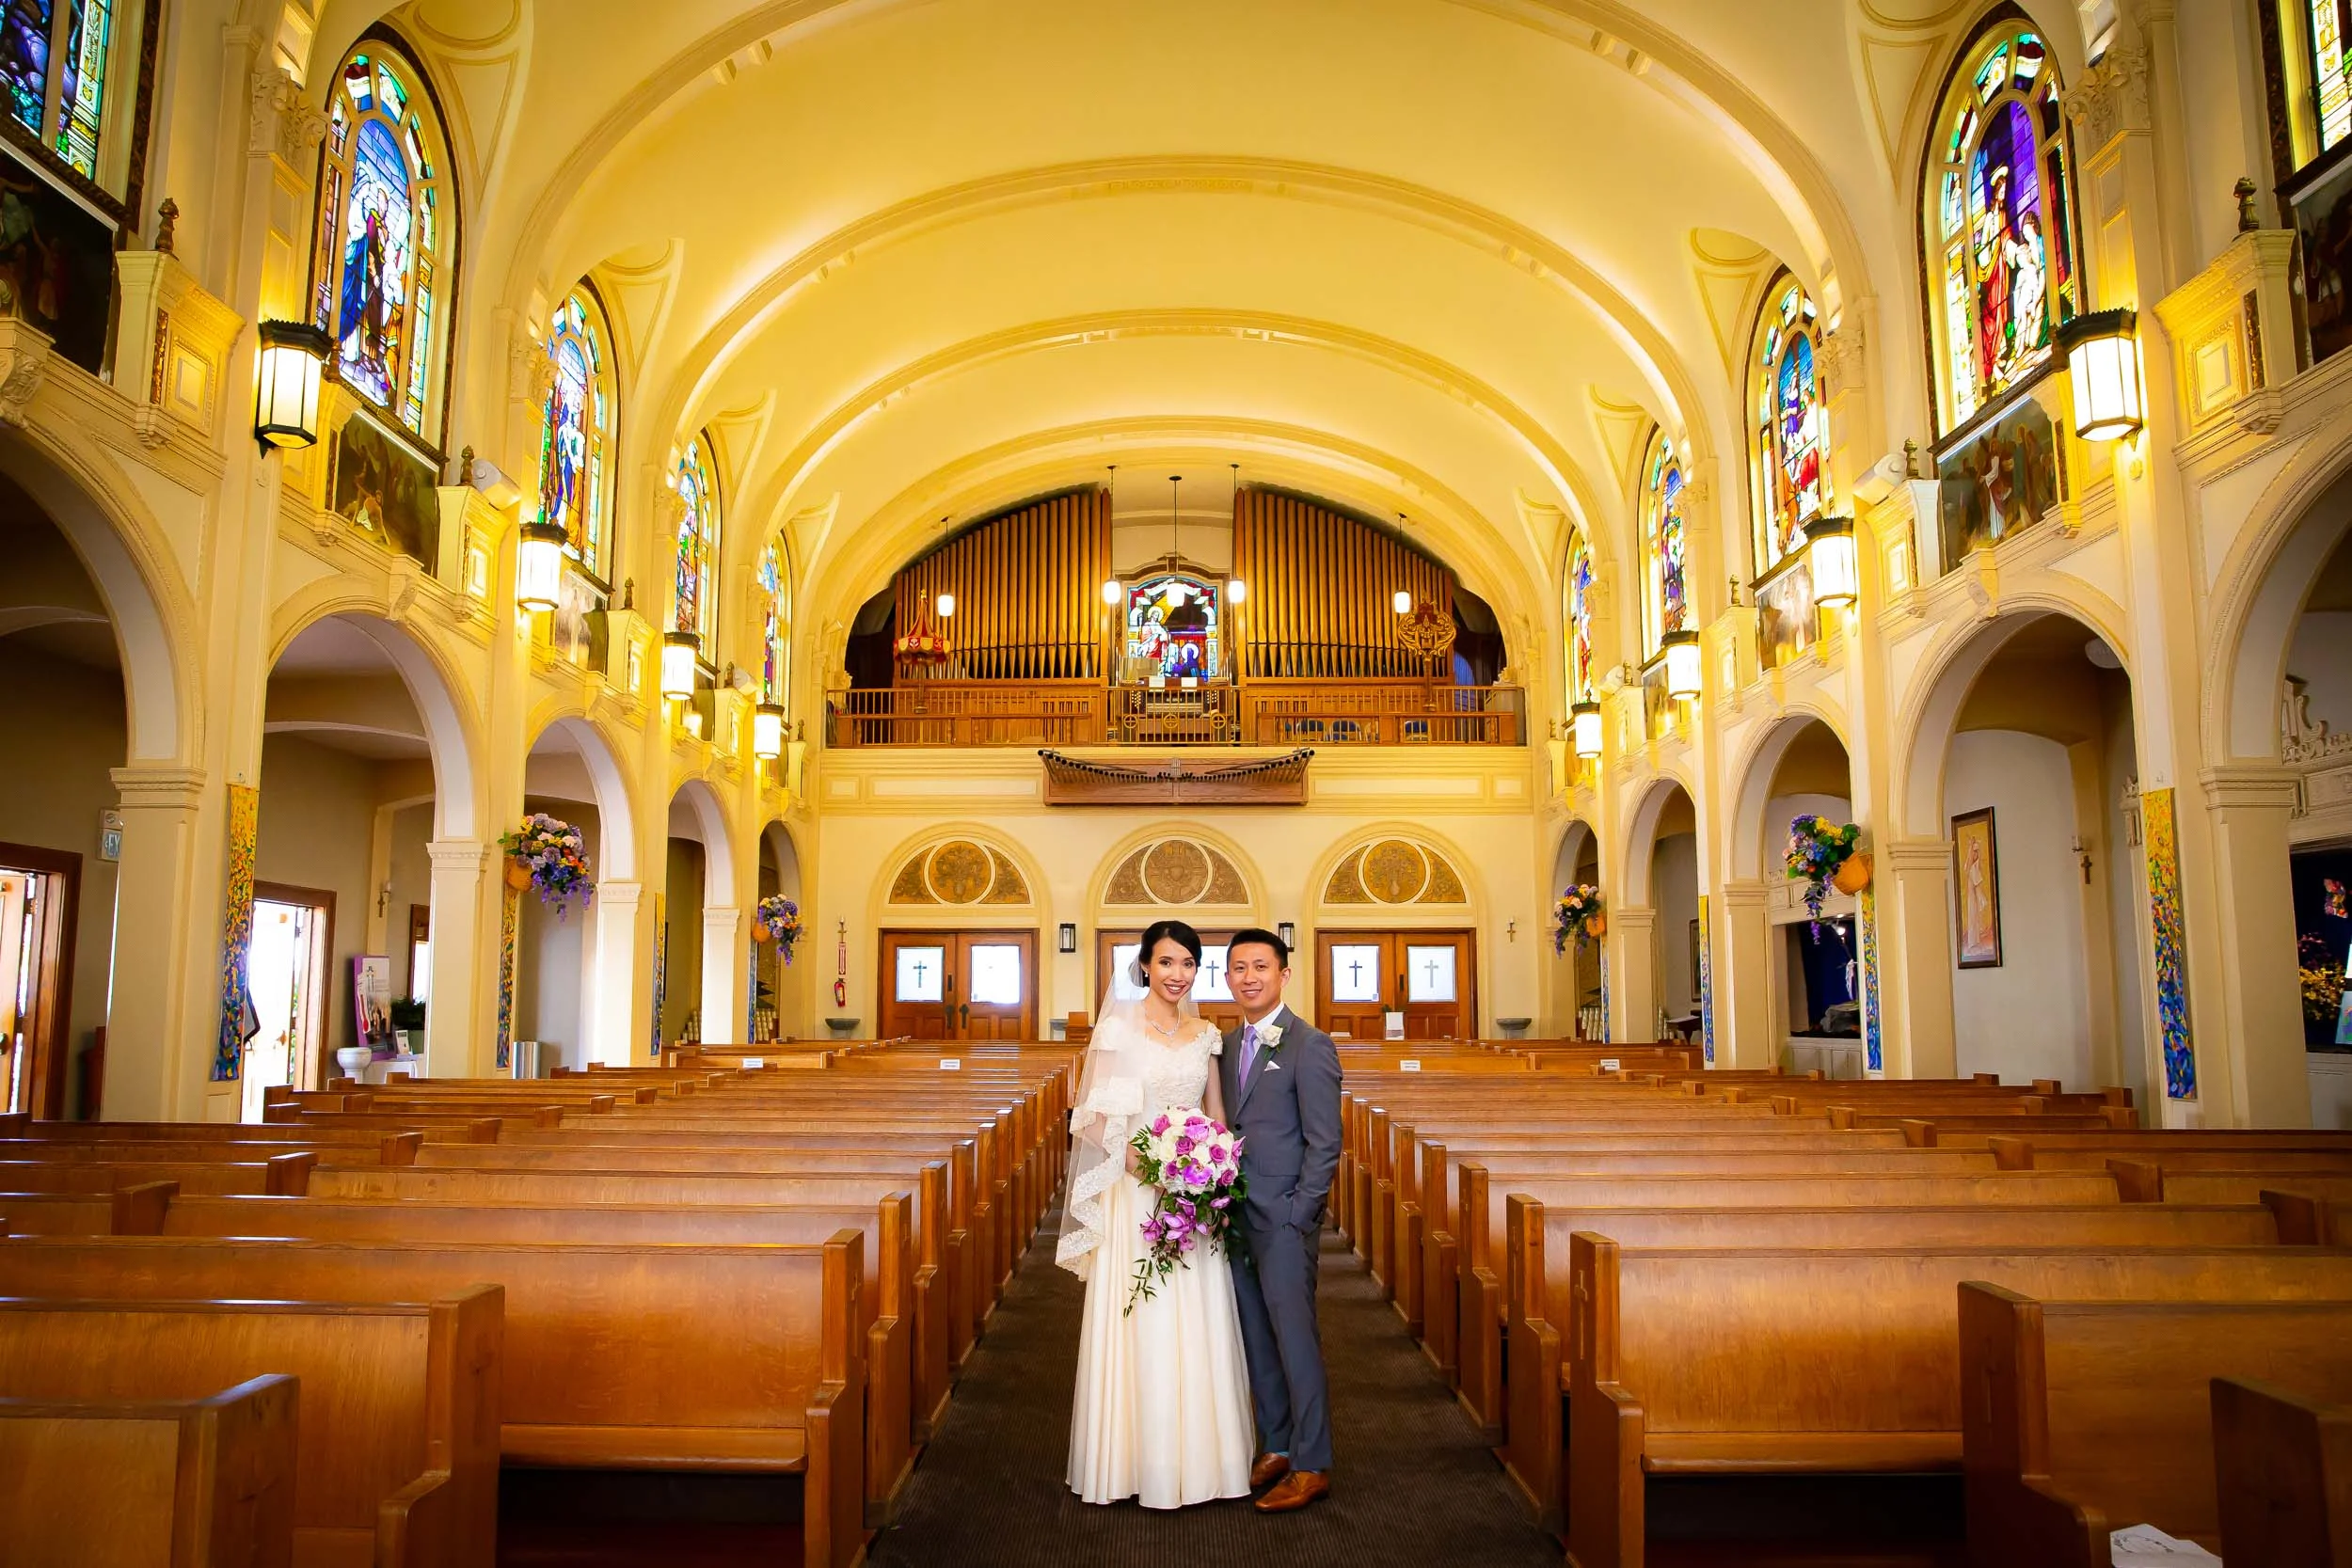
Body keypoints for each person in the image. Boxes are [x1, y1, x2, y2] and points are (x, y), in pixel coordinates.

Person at [1059, 919, 1254, 1508]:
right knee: (1138, 1315)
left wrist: (1212, 1166)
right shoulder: (1117, 1029)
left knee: (1198, 1312)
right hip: (1135, 1190)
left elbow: (1215, 1114)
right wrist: (1148, 1165)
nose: (1178, 974)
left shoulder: (1206, 1034)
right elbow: (1092, 1121)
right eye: (1166, 962)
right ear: (1145, 965)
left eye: (1188, 964)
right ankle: (1128, 1460)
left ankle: (1201, 1461)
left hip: (1192, 1194)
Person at [1219, 927, 1343, 1513]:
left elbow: (1325, 1141)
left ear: (1283, 975)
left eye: (1260, 967)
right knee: (1255, 1337)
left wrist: (1302, 1212)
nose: (1249, 977)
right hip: (1234, 1214)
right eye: (1238, 968)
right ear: (1227, 978)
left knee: (1295, 1339)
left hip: (1286, 1218)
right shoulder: (1221, 1046)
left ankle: (1313, 1461)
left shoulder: (1309, 1044)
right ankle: (1277, 1442)